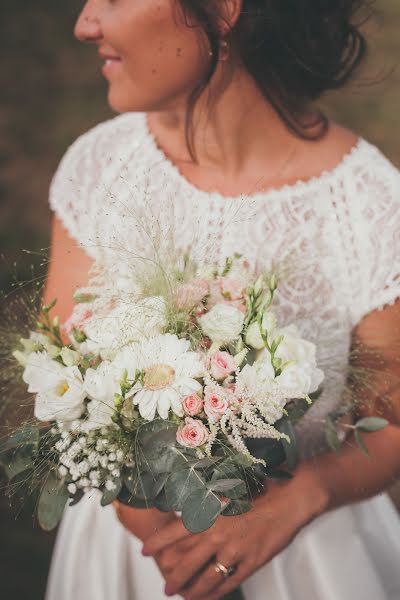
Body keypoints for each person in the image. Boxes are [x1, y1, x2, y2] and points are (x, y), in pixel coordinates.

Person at [43, 1, 400, 599]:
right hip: (129, 557)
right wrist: (142, 514)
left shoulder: (369, 207)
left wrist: (303, 495)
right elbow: (60, 375)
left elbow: (392, 423)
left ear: (225, 9)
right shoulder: (103, 167)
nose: (84, 23)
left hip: (307, 562)